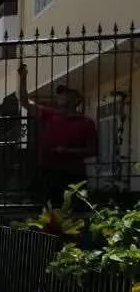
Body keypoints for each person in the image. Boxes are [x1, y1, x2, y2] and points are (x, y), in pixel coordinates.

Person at [17, 64, 97, 206]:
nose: (60, 95)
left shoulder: (86, 122)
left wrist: (66, 151)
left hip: (74, 176)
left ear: (77, 98)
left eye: (65, 92)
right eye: (60, 93)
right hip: (49, 173)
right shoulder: (50, 114)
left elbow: (93, 150)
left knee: (75, 214)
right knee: (50, 214)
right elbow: (24, 102)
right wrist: (23, 78)